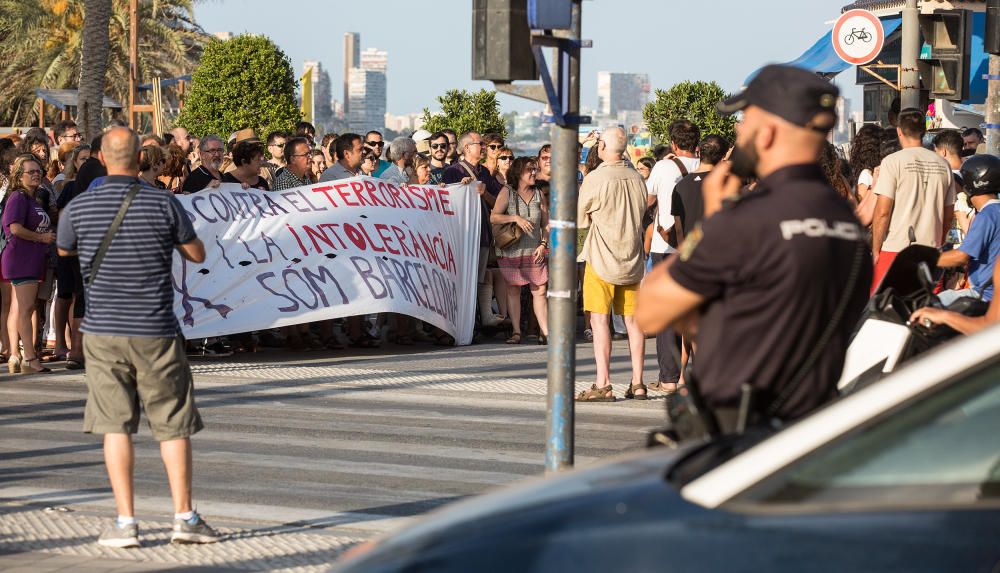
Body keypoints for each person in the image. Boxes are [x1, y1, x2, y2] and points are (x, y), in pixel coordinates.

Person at [635, 64, 871, 431]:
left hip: (741, 433)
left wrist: (712, 223)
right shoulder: (847, 221)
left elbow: (650, 309)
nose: (737, 129)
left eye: (745, 120)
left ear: (768, 131)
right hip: (814, 425)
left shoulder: (751, 219)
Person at [56, 126, 219, 548]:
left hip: (102, 331)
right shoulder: (163, 202)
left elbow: (63, 250)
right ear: (140, 159)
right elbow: (196, 253)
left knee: (115, 427)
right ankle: (184, 517)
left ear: (103, 158)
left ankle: (126, 523)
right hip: (155, 330)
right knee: (172, 426)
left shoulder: (79, 206)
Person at [575, 127, 648, 402]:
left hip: (601, 256)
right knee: (633, 321)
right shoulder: (637, 178)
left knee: (600, 320)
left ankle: (603, 382)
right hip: (632, 258)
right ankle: (638, 382)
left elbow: (581, 218)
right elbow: (642, 211)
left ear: (603, 145)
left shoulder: (595, 178)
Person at [871, 108, 955, 291]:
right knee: (926, 311)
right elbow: (949, 217)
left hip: (896, 250)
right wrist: (937, 244)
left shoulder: (892, 162)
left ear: (899, 131)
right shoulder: (944, 165)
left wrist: (876, 249)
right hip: (931, 252)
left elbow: (883, 212)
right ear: (924, 131)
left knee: (884, 311)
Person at [645, 120, 700, 390]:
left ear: (674, 143)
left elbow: (648, 199)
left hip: (665, 245)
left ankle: (669, 377)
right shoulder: (706, 167)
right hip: (698, 248)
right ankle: (696, 375)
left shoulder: (664, 166)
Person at [442, 131, 505, 329]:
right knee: (463, 280)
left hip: (483, 234)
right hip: (463, 234)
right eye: (480, 144)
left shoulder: (485, 173)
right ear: (467, 147)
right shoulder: (453, 172)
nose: (484, 147)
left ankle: (479, 320)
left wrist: (484, 193)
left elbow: (498, 203)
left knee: (480, 276)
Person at [3, 154, 55, 374]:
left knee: (25, 307)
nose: (36, 174)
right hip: (20, 258)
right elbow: (14, 228)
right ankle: (29, 359)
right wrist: (41, 238)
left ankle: (17, 355)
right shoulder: (18, 197)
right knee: (25, 309)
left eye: (38, 171)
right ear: (18, 175)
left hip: (32, 259)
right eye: (31, 172)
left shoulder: (32, 199)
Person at [491, 157, 549, 345]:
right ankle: (516, 332)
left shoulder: (539, 194)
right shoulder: (507, 192)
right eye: (529, 170)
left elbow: (546, 224)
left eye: (535, 169)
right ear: (518, 173)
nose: (534, 173)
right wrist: (515, 218)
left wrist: (543, 244)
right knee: (514, 290)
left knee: (539, 290)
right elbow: (494, 217)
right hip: (511, 251)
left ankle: (546, 332)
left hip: (534, 250)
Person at [927, 154, 1000, 304]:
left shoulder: (986, 215)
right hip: (992, 293)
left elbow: (961, 256)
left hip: (984, 295)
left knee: (930, 306)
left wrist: (923, 260)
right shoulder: (995, 211)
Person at [672, 135, 727, 239]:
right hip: (720, 250)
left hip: (691, 251)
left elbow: (678, 228)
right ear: (723, 157)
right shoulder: (727, 183)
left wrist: (683, 253)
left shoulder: (680, 186)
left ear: (699, 152)